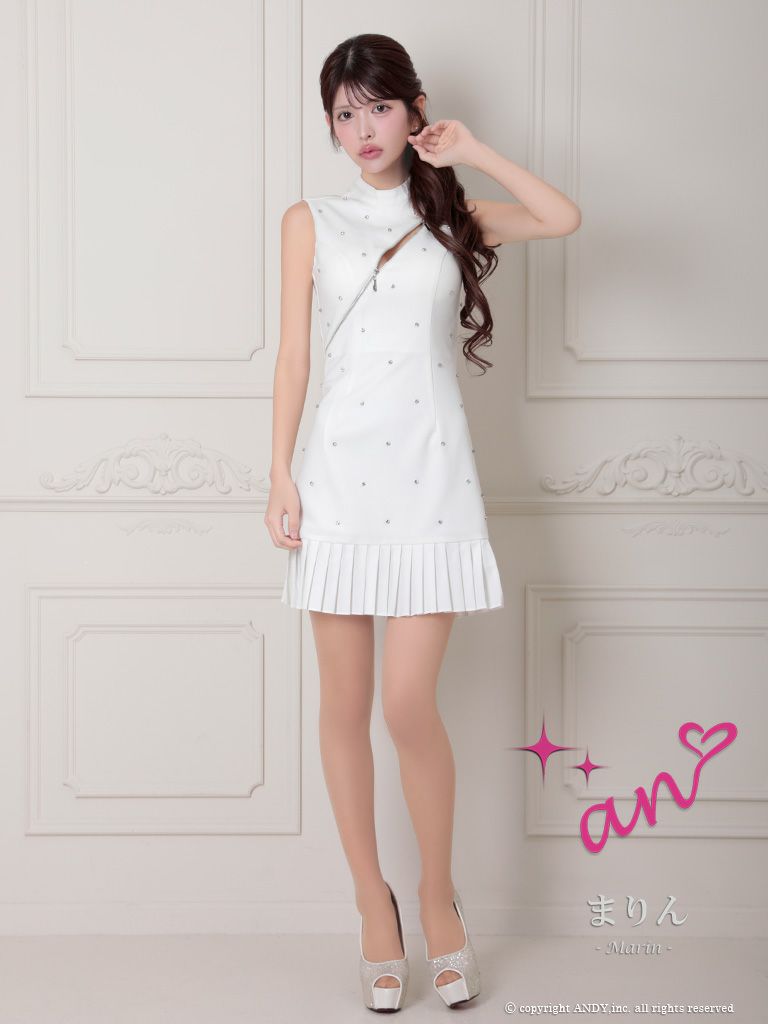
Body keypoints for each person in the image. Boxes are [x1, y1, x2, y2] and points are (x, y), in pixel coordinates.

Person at [266, 33, 581, 1012]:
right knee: (343, 707)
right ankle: (375, 904)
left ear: (414, 110)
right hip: (336, 482)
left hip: (432, 481)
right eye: (344, 112)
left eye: (379, 106)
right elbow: (293, 357)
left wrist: (472, 150)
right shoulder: (310, 220)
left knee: (408, 705)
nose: (362, 128)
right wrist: (278, 475)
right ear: (331, 126)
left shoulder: (453, 219)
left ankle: (439, 901)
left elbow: (562, 216)